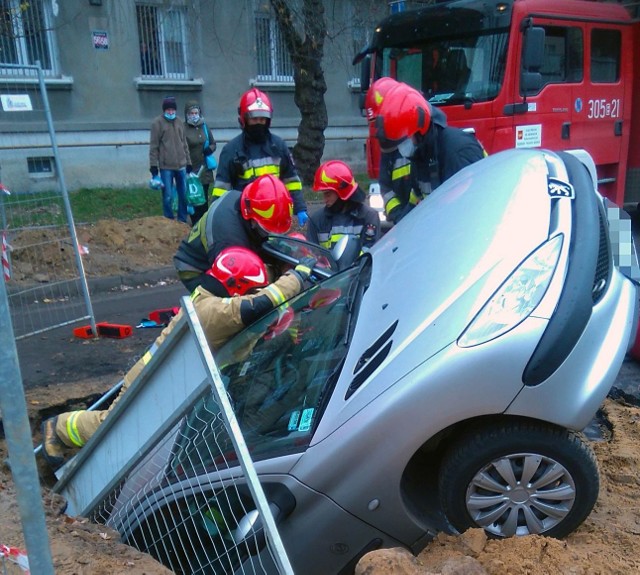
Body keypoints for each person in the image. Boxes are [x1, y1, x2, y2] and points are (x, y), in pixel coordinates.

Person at [40, 246, 317, 470]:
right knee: (114, 429)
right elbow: (260, 305)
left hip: (168, 378)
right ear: (237, 287)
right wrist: (298, 276)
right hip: (153, 381)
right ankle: (59, 427)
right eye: (251, 289)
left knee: (129, 434)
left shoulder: (211, 301)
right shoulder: (212, 312)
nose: (255, 294)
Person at [372, 80, 485, 224]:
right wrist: (402, 227)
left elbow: (471, 215)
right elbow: (417, 201)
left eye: (403, 142)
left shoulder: (456, 152)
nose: (401, 150)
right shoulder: (421, 157)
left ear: (420, 131)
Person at [174, 174, 293, 296]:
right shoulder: (230, 241)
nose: (270, 234)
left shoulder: (244, 200)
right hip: (195, 268)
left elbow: (264, 239)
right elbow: (238, 287)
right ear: (250, 218)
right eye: (267, 229)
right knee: (239, 295)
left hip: (218, 247)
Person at [211, 88, 308, 227]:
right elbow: (221, 190)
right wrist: (217, 217)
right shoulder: (231, 150)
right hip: (245, 219)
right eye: (254, 119)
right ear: (244, 119)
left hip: (275, 216)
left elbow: (291, 180)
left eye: (262, 119)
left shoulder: (278, 146)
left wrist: (300, 208)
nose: (259, 123)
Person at [307, 160, 380, 251]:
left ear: (342, 192)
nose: (325, 200)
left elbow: (369, 254)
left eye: (328, 194)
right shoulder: (316, 220)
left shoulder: (368, 217)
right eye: (323, 194)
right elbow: (312, 255)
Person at [149, 95, 192, 223]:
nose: (171, 112)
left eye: (173, 110)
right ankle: (168, 220)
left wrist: (188, 162)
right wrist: (153, 167)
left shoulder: (179, 122)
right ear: (164, 110)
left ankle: (182, 220)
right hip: (166, 167)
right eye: (168, 110)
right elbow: (154, 146)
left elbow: (184, 144)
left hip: (181, 166)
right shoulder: (157, 123)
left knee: (183, 195)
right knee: (167, 196)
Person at [184, 100, 217, 225]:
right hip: (191, 169)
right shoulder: (183, 128)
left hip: (205, 169)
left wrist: (210, 149)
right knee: (194, 197)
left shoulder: (204, 126)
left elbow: (213, 143)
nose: (194, 115)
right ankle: (195, 224)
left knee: (204, 197)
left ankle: (204, 223)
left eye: (196, 112)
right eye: (191, 113)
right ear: (187, 114)